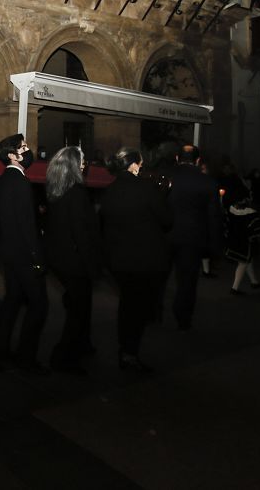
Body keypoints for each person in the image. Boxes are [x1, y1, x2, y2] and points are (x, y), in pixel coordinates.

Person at [99, 148, 173, 373]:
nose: (141, 166)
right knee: (137, 307)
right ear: (132, 165)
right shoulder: (146, 188)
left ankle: (126, 348)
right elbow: (166, 220)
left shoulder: (108, 191)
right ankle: (129, 353)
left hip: (118, 260)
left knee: (127, 303)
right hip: (143, 259)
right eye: (139, 163)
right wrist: (162, 195)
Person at [0, 134, 49, 373]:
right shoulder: (20, 182)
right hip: (24, 255)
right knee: (39, 305)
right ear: (12, 156)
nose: (27, 151)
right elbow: (26, 225)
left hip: (8, 253)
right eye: (23, 148)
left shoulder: (2, 180)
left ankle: (0, 349)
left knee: (12, 301)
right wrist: (37, 256)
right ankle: (26, 357)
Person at [44, 145, 99, 375]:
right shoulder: (77, 193)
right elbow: (81, 234)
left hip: (60, 260)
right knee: (78, 311)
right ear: (74, 165)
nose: (85, 165)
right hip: (75, 262)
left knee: (80, 306)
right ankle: (63, 357)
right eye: (82, 161)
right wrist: (93, 267)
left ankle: (83, 344)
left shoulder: (56, 191)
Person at [165, 144, 222, 330]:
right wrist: (214, 245)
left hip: (164, 234)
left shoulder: (165, 177)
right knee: (187, 280)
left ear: (176, 158)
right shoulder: (208, 183)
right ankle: (183, 317)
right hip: (192, 237)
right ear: (198, 161)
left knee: (158, 276)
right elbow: (213, 217)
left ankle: (153, 310)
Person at [225, 191, 260, 295]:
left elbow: (227, 224)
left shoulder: (230, 209)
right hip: (246, 242)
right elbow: (256, 229)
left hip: (234, 239)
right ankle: (234, 288)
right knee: (243, 263)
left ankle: (254, 282)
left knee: (247, 261)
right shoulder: (251, 212)